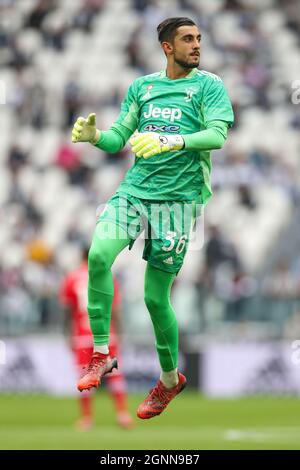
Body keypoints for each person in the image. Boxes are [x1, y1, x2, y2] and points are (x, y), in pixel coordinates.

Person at [71, 17, 234, 419]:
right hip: (135, 192)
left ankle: (168, 381)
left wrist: (170, 139)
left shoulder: (208, 86)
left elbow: (217, 135)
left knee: (154, 298)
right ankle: (101, 354)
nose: (196, 45)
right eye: (187, 39)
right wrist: (94, 138)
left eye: (198, 38)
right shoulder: (142, 88)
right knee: (97, 256)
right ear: (166, 46)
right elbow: (117, 138)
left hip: (178, 202)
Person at [60, 249, 133, 429]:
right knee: (114, 374)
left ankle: (87, 419)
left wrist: (68, 334)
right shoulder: (107, 276)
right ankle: (123, 415)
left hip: (82, 334)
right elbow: (115, 309)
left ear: (81, 257)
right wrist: (120, 333)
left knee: (85, 375)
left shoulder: (71, 278)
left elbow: (67, 310)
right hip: (107, 334)